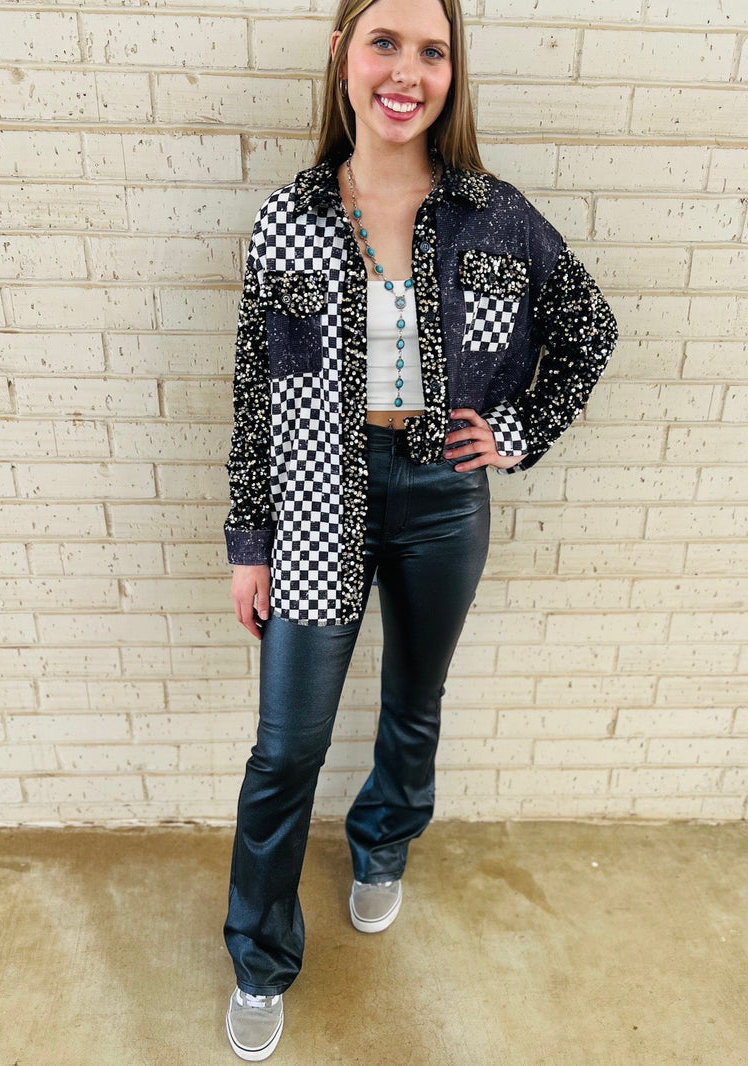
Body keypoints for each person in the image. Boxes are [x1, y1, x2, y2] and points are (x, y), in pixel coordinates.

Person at [221, 0, 618, 1058]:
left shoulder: (493, 214)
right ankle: (258, 956)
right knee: (285, 746)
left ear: (452, 72)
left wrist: (517, 429)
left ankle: (383, 841)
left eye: (431, 50)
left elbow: (588, 325)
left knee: (413, 700)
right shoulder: (290, 216)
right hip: (318, 491)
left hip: (443, 494)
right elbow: (255, 391)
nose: (407, 71)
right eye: (384, 43)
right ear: (343, 58)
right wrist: (250, 542)